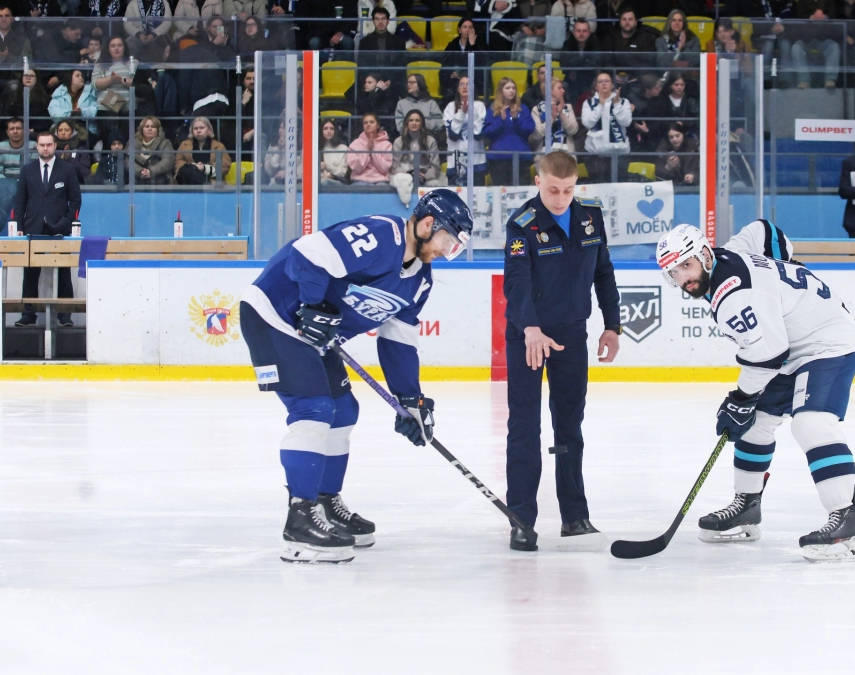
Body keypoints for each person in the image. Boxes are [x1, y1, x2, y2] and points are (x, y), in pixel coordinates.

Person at [238, 189, 474, 564]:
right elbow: (309, 253)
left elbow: (398, 341)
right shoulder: (382, 235)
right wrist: (314, 305)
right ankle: (299, 521)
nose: (448, 251)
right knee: (313, 410)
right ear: (429, 224)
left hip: (314, 337)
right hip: (275, 317)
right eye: (449, 240)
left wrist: (410, 401)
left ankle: (325, 503)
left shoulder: (420, 281)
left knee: (343, 410)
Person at [654, 219, 855, 562]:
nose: (683, 278)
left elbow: (767, 355)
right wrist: (784, 260)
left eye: (686, 265)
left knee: (810, 424)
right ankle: (747, 508)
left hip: (827, 342)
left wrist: (740, 398)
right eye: (673, 272)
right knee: (754, 424)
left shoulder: (733, 295)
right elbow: (763, 230)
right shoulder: (730, 253)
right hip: (789, 344)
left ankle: (847, 522)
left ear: (706, 255)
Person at [502, 150, 620, 552]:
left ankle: (575, 515)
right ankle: (521, 519)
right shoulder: (522, 224)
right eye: (553, 189)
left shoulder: (590, 215)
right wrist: (530, 327)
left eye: (568, 190)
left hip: (572, 334)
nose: (560, 198)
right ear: (538, 182)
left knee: (569, 425)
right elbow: (515, 283)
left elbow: (603, 272)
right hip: (527, 337)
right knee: (524, 427)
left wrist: (612, 325)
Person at [13, 130, 83, 328]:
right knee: (30, 273)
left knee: (63, 272)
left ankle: (65, 315)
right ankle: (28, 314)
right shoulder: (27, 170)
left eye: (49, 144)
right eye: (42, 145)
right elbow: (20, 201)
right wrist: (19, 225)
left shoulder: (67, 169)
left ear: (55, 145)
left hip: (60, 228)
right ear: (36, 146)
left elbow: (75, 200)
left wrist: (67, 222)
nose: (45, 148)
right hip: (33, 227)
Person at [579, 70, 631, 182]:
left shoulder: (623, 102)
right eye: (600, 81)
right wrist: (600, 106)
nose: (603, 84)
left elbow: (626, 122)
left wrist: (616, 105)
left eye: (607, 81)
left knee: (619, 187)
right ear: (596, 86)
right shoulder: (588, 103)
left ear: (612, 85)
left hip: (619, 153)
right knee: (598, 186)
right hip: (595, 154)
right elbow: (587, 123)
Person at [483, 77, 535, 187]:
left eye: (513, 88)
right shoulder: (492, 109)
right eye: (507, 88)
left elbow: (529, 129)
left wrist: (516, 118)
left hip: (520, 158)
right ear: (501, 90)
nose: (511, 90)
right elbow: (488, 132)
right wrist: (501, 121)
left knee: (521, 194)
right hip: (498, 159)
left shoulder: (523, 108)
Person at [390, 109, 444, 207]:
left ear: (422, 123)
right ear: (406, 123)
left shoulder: (430, 140)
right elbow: (395, 166)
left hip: (425, 177)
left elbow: (435, 167)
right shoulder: (398, 141)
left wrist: (424, 177)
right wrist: (410, 174)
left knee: (436, 185)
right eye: (411, 120)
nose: (414, 123)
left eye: (417, 120)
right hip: (405, 177)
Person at [443, 76, 487, 187]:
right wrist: (461, 114)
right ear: (457, 88)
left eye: (468, 84)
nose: (465, 87)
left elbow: (478, 134)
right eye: (462, 84)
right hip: (455, 160)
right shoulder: (450, 107)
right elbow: (453, 135)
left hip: (476, 160)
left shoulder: (480, 106)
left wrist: (472, 112)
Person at [93, 35, 135, 142]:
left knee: (127, 141)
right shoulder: (100, 64)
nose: (116, 48)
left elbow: (138, 84)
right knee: (108, 141)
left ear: (124, 47)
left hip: (128, 109)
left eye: (119, 45)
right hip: (106, 108)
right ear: (108, 48)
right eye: (113, 46)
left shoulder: (133, 63)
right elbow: (95, 84)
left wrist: (121, 81)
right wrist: (111, 79)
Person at [174, 116, 231, 185]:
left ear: (209, 130)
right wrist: (193, 166)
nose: (198, 131)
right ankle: (203, 185)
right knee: (189, 170)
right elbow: (177, 162)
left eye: (201, 128)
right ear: (192, 131)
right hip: (186, 180)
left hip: (211, 180)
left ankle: (203, 184)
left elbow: (225, 166)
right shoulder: (184, 145)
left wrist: (204, 168)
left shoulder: (219, 146)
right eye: (195, 128)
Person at [529, 78, 578, 157]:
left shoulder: (568, 107)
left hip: (566, 156)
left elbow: (573, 130)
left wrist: (561, 113)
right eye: (559, 88)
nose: (563, 90)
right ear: (550, 91)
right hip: (544, 156)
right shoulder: (537, 109)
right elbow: (537, 134)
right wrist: (551, 119)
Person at [560, 18, 599, 102]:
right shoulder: (567, 44)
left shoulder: (595, 43)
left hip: (590, 80)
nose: (581, 34)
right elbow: (564, 64)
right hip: (571, 81)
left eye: (584, 31)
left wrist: (576, 63)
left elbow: (595, 63)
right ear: (573, 32)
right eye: (578, 31)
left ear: (589, 33)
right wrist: (585, 60)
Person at [347, 112, 392, 185]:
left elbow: (384, 169)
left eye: (371, 122)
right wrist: (367, 150)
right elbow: (357, 169)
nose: (368, 124)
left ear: (378, 125)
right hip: (359, 181)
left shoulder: (387, 144)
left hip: (380, 181)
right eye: (365, 123)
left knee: (382, 187)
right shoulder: (355, 144)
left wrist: (373, 149)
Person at [133, 115, 174, 185]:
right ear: (142, 129)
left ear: (158, 130)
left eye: (153, 127)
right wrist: (140, 171)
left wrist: (150, 171)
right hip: (137, 181)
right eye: (147, 126)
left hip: (160, 182)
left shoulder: (166, 143)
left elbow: (168, 161)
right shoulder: (133, 142)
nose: (150, 129)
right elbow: (128, 161)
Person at [654, 121, 698, 186]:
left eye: (677, 136)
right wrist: (667, 167)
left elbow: (702, 169)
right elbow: (658, 175)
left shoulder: (693, 147)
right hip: (671, 187)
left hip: (692, 187)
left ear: (683, 135)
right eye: (671, 137)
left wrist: (693, 176)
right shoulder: (662, 149)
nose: (674, 139)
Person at [0, 116, 32, 181]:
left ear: (24, 130)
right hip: (5, 185)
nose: (15, 131)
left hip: (26, 185)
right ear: (7, 132)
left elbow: (32, 171)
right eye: (12, 129)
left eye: (18, 128)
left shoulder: (33, 146)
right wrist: (9, 184)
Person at [54, 119, 92, 185]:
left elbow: (85, 174)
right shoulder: (50, 149)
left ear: (73, 132)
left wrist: (69, 159)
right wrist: (61, 160)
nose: (63, 133)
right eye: (60, 130)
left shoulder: (81, 150)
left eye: (67, 130)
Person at [318, 119, 351, 187]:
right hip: (317, 181)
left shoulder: (343, 148)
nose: (329, 131)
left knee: (323, 182)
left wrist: (328, 167)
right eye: (325, 128)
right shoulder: (314, 148)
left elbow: (342, 172)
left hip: (337, 182)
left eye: (332, 129)